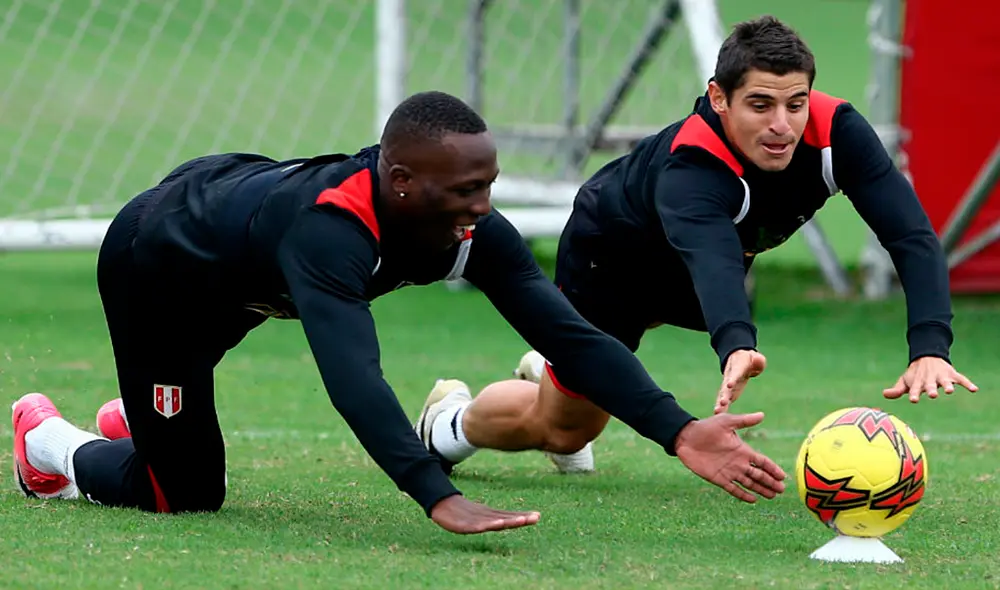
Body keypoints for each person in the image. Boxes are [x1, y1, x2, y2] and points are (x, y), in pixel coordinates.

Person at [11, 90, 787, 535]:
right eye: (464, 191)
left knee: (173, 432)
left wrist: (679, 430)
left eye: (488, 185)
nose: (482, 208)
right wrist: (435, 492)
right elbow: (356, 378)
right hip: (161, 264)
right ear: (403, 181)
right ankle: (47, 441)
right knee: (178, 494)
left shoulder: (463, 225)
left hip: (241, 249)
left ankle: (149, 417)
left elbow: (568, 337)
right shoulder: (330, 235)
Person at [415, 16, 978, 475]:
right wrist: (736, 343)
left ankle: (559, 366)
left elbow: (910, 235)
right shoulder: (693, 168)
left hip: (700, 265)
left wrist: (930, 344)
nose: (783, 124)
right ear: (719, 97)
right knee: (564, 430)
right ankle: (448, 424)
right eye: (760, 105)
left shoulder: (837, 132)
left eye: (795, 103)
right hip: (612, 259)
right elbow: (713, 260)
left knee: (595, 382)